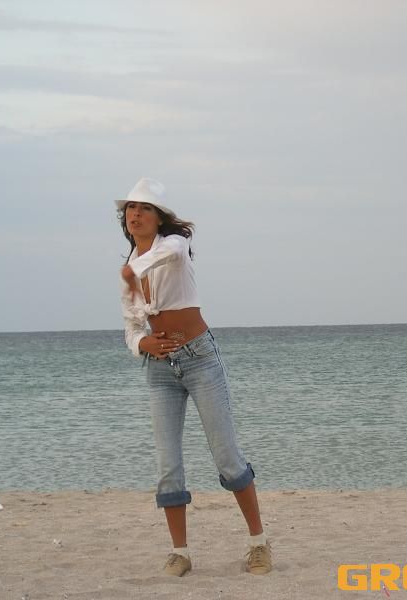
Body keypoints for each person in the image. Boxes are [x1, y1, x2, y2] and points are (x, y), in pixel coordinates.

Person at [115, 177, 272, 577]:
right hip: (160, 370)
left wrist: (132, 271)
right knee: (168, 465)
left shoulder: (175, 245)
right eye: (131, 208)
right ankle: (180, 553)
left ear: (159, 217)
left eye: (144, 208)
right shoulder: (130, 269)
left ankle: (259, 543)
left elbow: (162, 255)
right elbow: (131, 328)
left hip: (200, 358)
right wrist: (142, 344)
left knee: (227, 457)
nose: (135, 214)